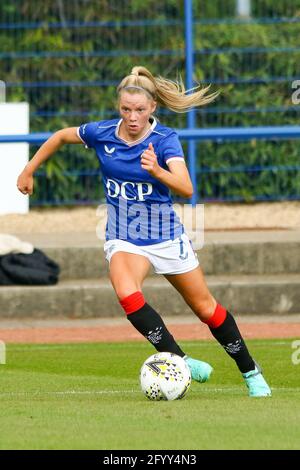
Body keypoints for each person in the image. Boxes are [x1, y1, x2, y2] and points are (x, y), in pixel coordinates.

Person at [17, 65, 271, 397]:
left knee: (206, 308)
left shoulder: (165, 140)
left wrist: (157, 171)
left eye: (139, 110)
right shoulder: (103, 133)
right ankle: (180, 359)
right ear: (118, 107)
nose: (132, 117)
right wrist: (29, 168)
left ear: (152, 108)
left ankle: (251, 372)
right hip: (124, 236)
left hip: (166, 237)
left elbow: (186, 187)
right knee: (127, 294)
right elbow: (62, 135)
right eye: (125, 109)